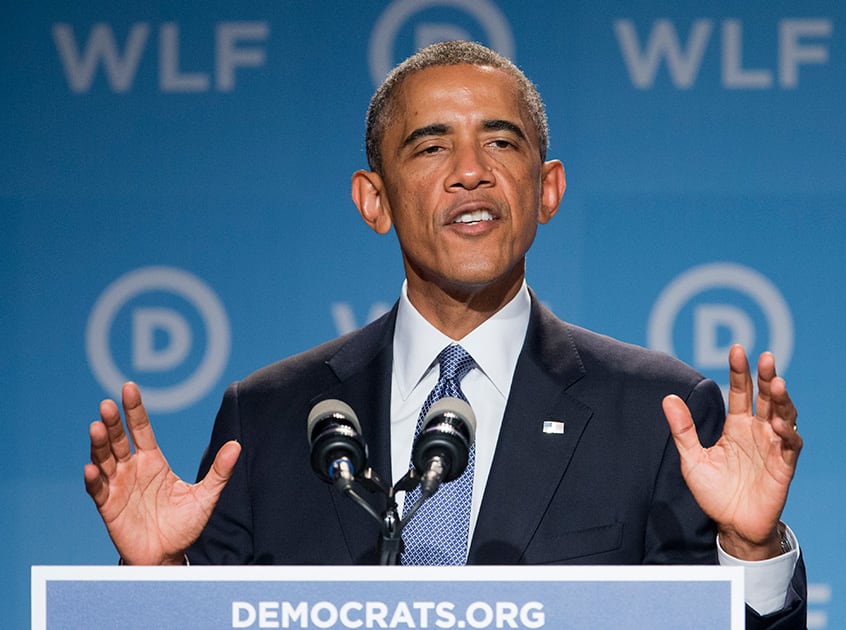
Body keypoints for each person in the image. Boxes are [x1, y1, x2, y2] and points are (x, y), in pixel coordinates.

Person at [85, 41, 806, 628]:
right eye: (431, 149)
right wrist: (154, 580)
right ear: (375, 200)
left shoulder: (658, 415)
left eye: (501, 142)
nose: (471, 173)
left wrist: (749, 549)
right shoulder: (270, 418)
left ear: (547, 190)